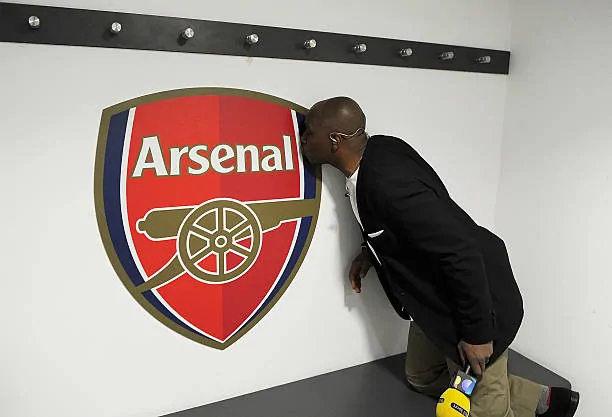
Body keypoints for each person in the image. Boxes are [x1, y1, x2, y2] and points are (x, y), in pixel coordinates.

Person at [299, 96, 580, 417]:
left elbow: (461, 252)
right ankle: (544, 401)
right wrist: (370, 252)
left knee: (486, 409)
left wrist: (477, 335)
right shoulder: (380, 149)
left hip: (475, 300)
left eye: (309, 133)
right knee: (423, 375)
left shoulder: (387, 185)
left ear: (335, 141)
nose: (303, 139)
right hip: (433, 296)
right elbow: (403, 223)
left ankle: (501, 400)